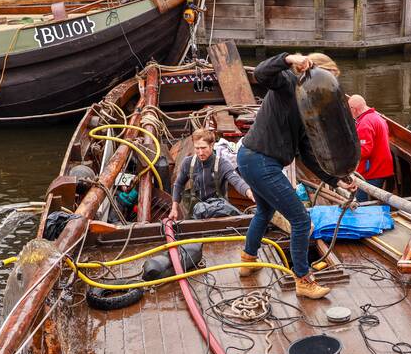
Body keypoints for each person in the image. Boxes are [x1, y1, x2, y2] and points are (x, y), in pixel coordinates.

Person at [238, 52, 353, 300]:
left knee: (264, 211)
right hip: (259, 160)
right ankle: (303, 279)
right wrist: (288, 59)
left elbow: (308, 155)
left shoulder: (307, 107)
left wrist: (336, 180)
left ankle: (247, 259)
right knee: (300, 220)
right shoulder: (287, 84)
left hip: (254, 160)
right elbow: (260, 73)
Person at [169, 128, 254, 220]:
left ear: (212, 145)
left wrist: (250, 193)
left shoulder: (222, 163)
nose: (200, 153)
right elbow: (178, 184)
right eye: (197, 148)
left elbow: (237, 181)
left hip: (219, 213)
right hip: (196, 215)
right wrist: (174, 208)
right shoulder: (187, 163)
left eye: (203, 148)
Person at [348, 95, 394, 202]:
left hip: (373, 172)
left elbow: (364, 151)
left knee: (361, 203)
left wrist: (347, 154)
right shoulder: (378, 118)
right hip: (385, 168)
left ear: (354, 110)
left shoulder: (364, 124)